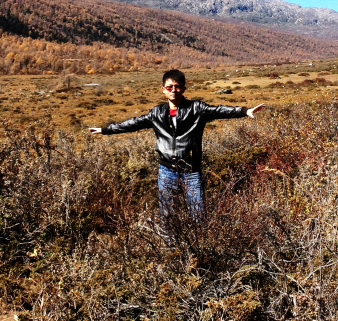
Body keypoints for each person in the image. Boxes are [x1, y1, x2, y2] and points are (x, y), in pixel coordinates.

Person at [90, 69, 263, 223]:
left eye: (177, 86)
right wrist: (106, 130)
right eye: (170, 86)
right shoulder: (156, 113)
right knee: (167, 214)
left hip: (191, 170)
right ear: (163, 89)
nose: (174, 90)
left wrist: (243, 111)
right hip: (166, 170)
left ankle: (199, 249)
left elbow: (218, 110)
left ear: (184, 89)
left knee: (198, 214)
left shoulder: (197, 108)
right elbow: (133, 123)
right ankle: (170, 249)